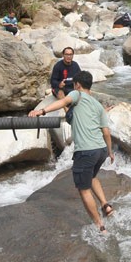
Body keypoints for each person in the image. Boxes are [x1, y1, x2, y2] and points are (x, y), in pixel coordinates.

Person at [28, 71, 115, 233]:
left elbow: (62, 102)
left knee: (84, 189)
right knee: (92, 177)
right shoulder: (98, 105)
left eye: (74, 85)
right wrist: (110, 152)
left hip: (86, 151)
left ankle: (100, 227)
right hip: (101, 150)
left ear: (78, 85)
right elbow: (106, 132)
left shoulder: (77, 94)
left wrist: (41, 112)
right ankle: (106, 206)